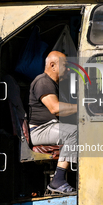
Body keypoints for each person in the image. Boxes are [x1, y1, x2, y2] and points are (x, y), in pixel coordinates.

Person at [28, 51, 77, 195]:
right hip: (40, 130)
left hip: (49, 128)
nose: (68, 70)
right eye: (66, 66)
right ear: (53, 65)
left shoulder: (54, 85)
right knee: (75, 132)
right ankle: (58, 181)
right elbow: (55, 108)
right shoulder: (43, 81)